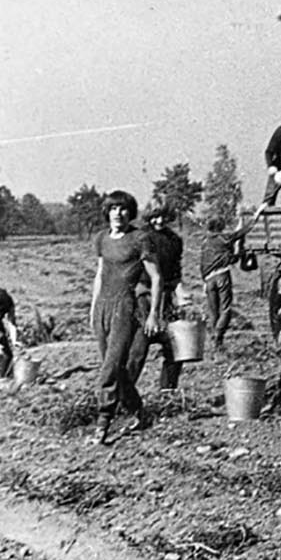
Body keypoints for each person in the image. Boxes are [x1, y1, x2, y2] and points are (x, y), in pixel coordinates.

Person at [89, 190, 163, 444]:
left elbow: (156, 277)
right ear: (107, 212)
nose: (117, 213)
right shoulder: (101, 238)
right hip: (103, 306)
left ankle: (103, 421)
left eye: (123, 209)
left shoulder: (139, 238)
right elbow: (100, 274)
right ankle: (139, 412)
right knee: (116, 368)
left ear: (130, 212)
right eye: (113, 208)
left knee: (109, 367)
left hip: (126, 306)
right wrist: (93, 308)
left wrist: (153, 314)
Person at [128, 202, 186, 391]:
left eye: (163, 216)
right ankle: (124, 394)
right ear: (148, 217)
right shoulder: (141, 237)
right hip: (143, 296)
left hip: (166, 298)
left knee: (176, 346)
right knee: (138, 348)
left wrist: (181, 292)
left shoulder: (174, 240)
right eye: (155, 216)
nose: (160, 221)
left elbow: (176, 271)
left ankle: (167, 391)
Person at [201, 206, 265, 348]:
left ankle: (215, 340)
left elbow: (203, 262)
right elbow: (241, 232)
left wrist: (204, 280)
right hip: (222, 276)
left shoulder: (206, 241)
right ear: (220, 226)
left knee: (213, 311)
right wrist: (254, 217)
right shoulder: (224, 238)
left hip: (209, 278)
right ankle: (218, 336)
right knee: (225, 309)